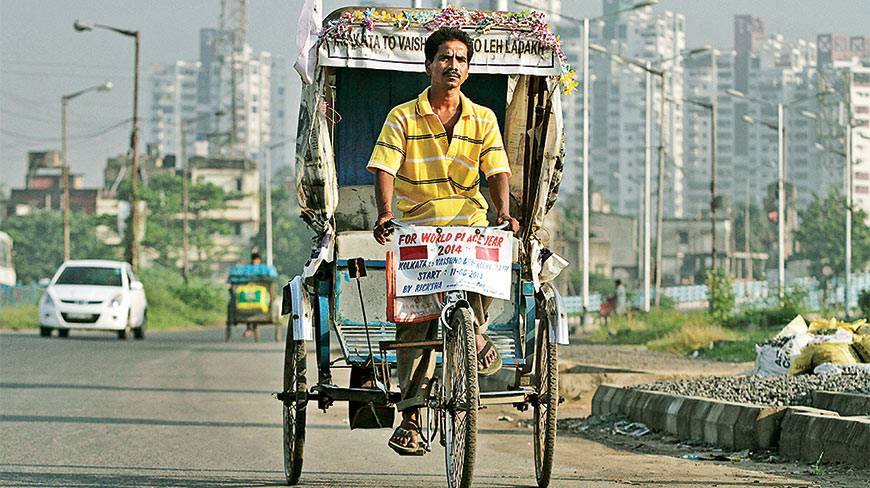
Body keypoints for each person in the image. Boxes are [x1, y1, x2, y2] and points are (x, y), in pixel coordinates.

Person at [368, 27, 519, 456]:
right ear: (430, 64)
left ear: (468, 69)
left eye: (461, 59)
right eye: (445, 58)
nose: (453, 65)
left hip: (468, 224)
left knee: (495, 256)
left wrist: (503, 212)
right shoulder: (402, 116)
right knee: (414, 322)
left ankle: (476, 331)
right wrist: (385, 213)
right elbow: (385, 167)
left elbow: (496, 170)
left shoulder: (483, 118)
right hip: (418, 227)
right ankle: (411, 417)